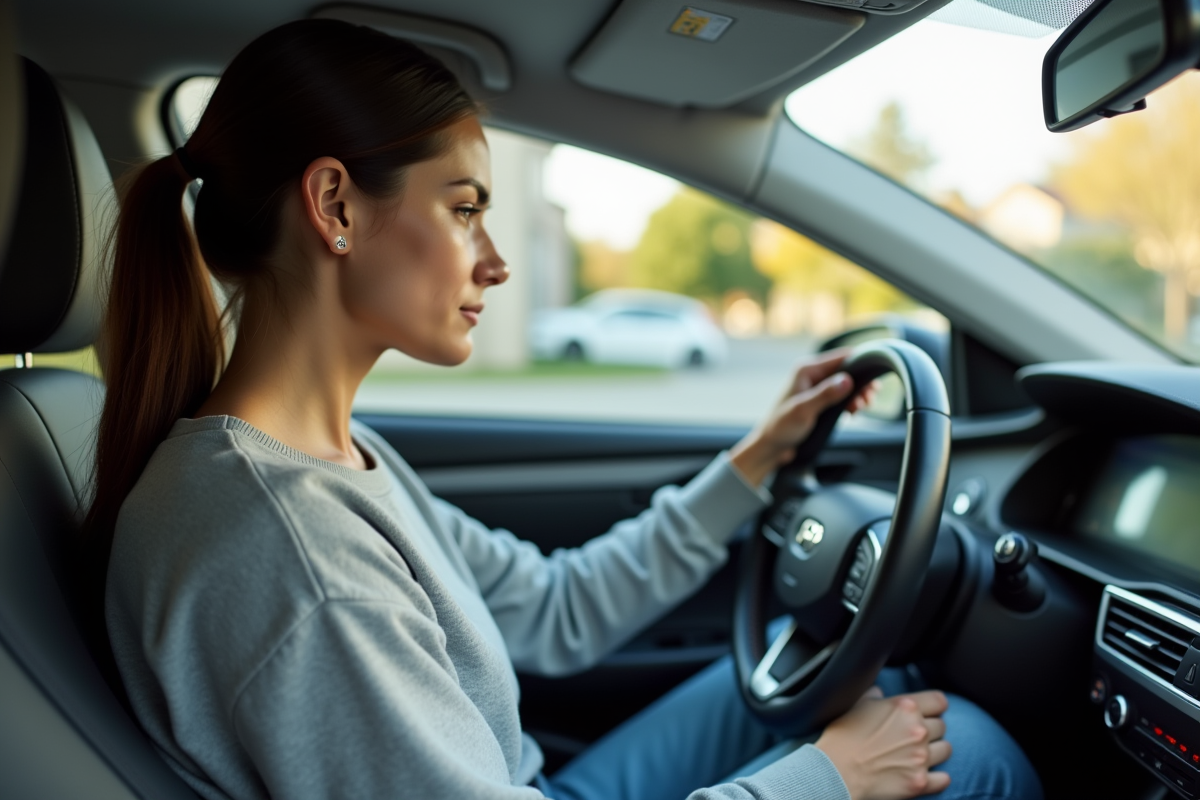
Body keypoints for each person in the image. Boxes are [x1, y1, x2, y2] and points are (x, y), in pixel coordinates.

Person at [85, 19, 1043, 800]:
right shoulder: (288, 551)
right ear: (334, 205)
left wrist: (755, 461)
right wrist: (829, 782)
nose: (495, 261)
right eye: (464, 209)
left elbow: (553, 609)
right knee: (974, 757)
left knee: (864, 691)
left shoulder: (327, 457)